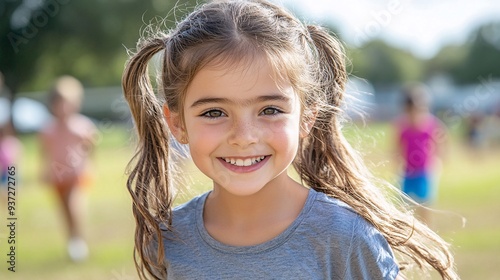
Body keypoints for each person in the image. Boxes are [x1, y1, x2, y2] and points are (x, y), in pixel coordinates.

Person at [122, 0, 458, 279]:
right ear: (177, 124)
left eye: (269, 109)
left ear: (306, 118)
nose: (244, 137)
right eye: (214, 112)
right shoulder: (168, 240)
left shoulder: (345, 239)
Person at [39, 75, 97, 262]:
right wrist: (44, 171)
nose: (63, 109)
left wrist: (90, 164)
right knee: (64, 209)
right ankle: (72, 241)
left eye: (67, 103)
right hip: (58, 176)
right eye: (59, 104)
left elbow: (91, 148)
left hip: (77, 174)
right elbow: (45, 153)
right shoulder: (48, 130)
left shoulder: (82, 126)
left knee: (74, 205)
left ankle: (79, 241)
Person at [394, 83, 447, 226]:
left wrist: (438, 160)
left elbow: (440, 140)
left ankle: (426, 233)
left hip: (424, 172)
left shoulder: (430, 124)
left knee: (424, 207)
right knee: (404, 207)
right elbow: (397, 147)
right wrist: (398, 164)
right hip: (407, 173)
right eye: (409, 111)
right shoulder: (403, 126)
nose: (413, 115)